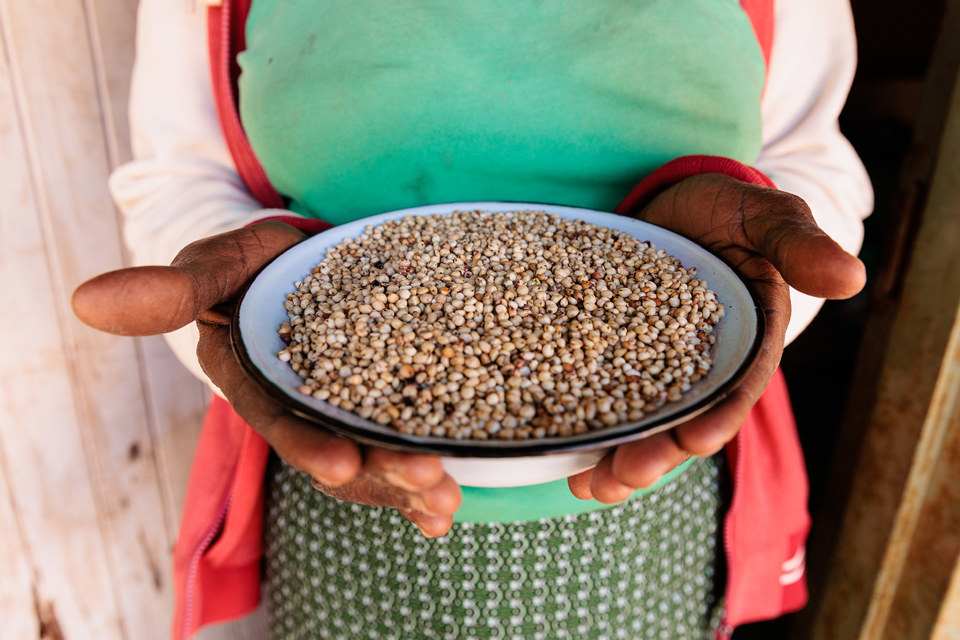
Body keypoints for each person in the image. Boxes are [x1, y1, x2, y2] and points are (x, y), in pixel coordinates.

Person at [72, 0, 873, 638]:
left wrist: (756, 267)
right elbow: (180, 179)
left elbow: (810, 154)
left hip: (646, 504)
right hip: (345, 492)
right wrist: (264, 288)